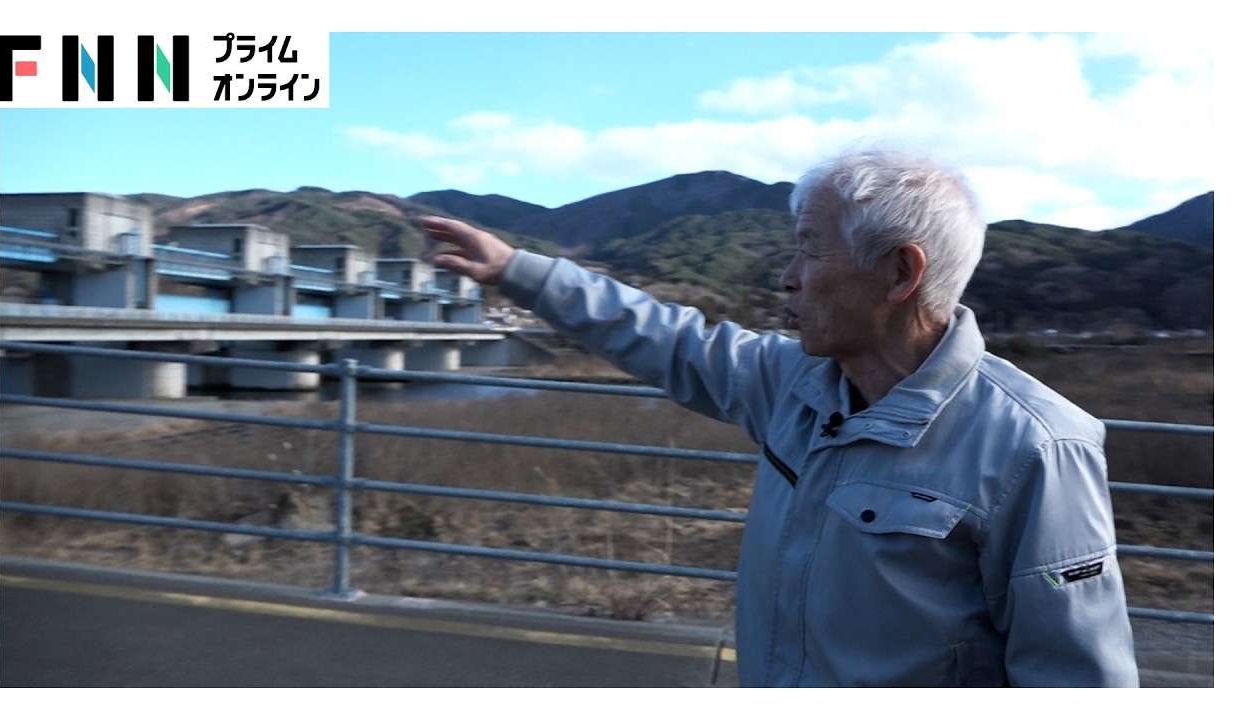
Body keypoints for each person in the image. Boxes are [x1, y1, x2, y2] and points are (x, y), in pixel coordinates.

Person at [419, 145, 1140, 687]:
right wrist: (517, 269)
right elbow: (664, 337)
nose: (788, 278)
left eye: (809, 250)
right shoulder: (794, 382)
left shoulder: (1037, 447)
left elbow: (1080, 679)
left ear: (900, 273)